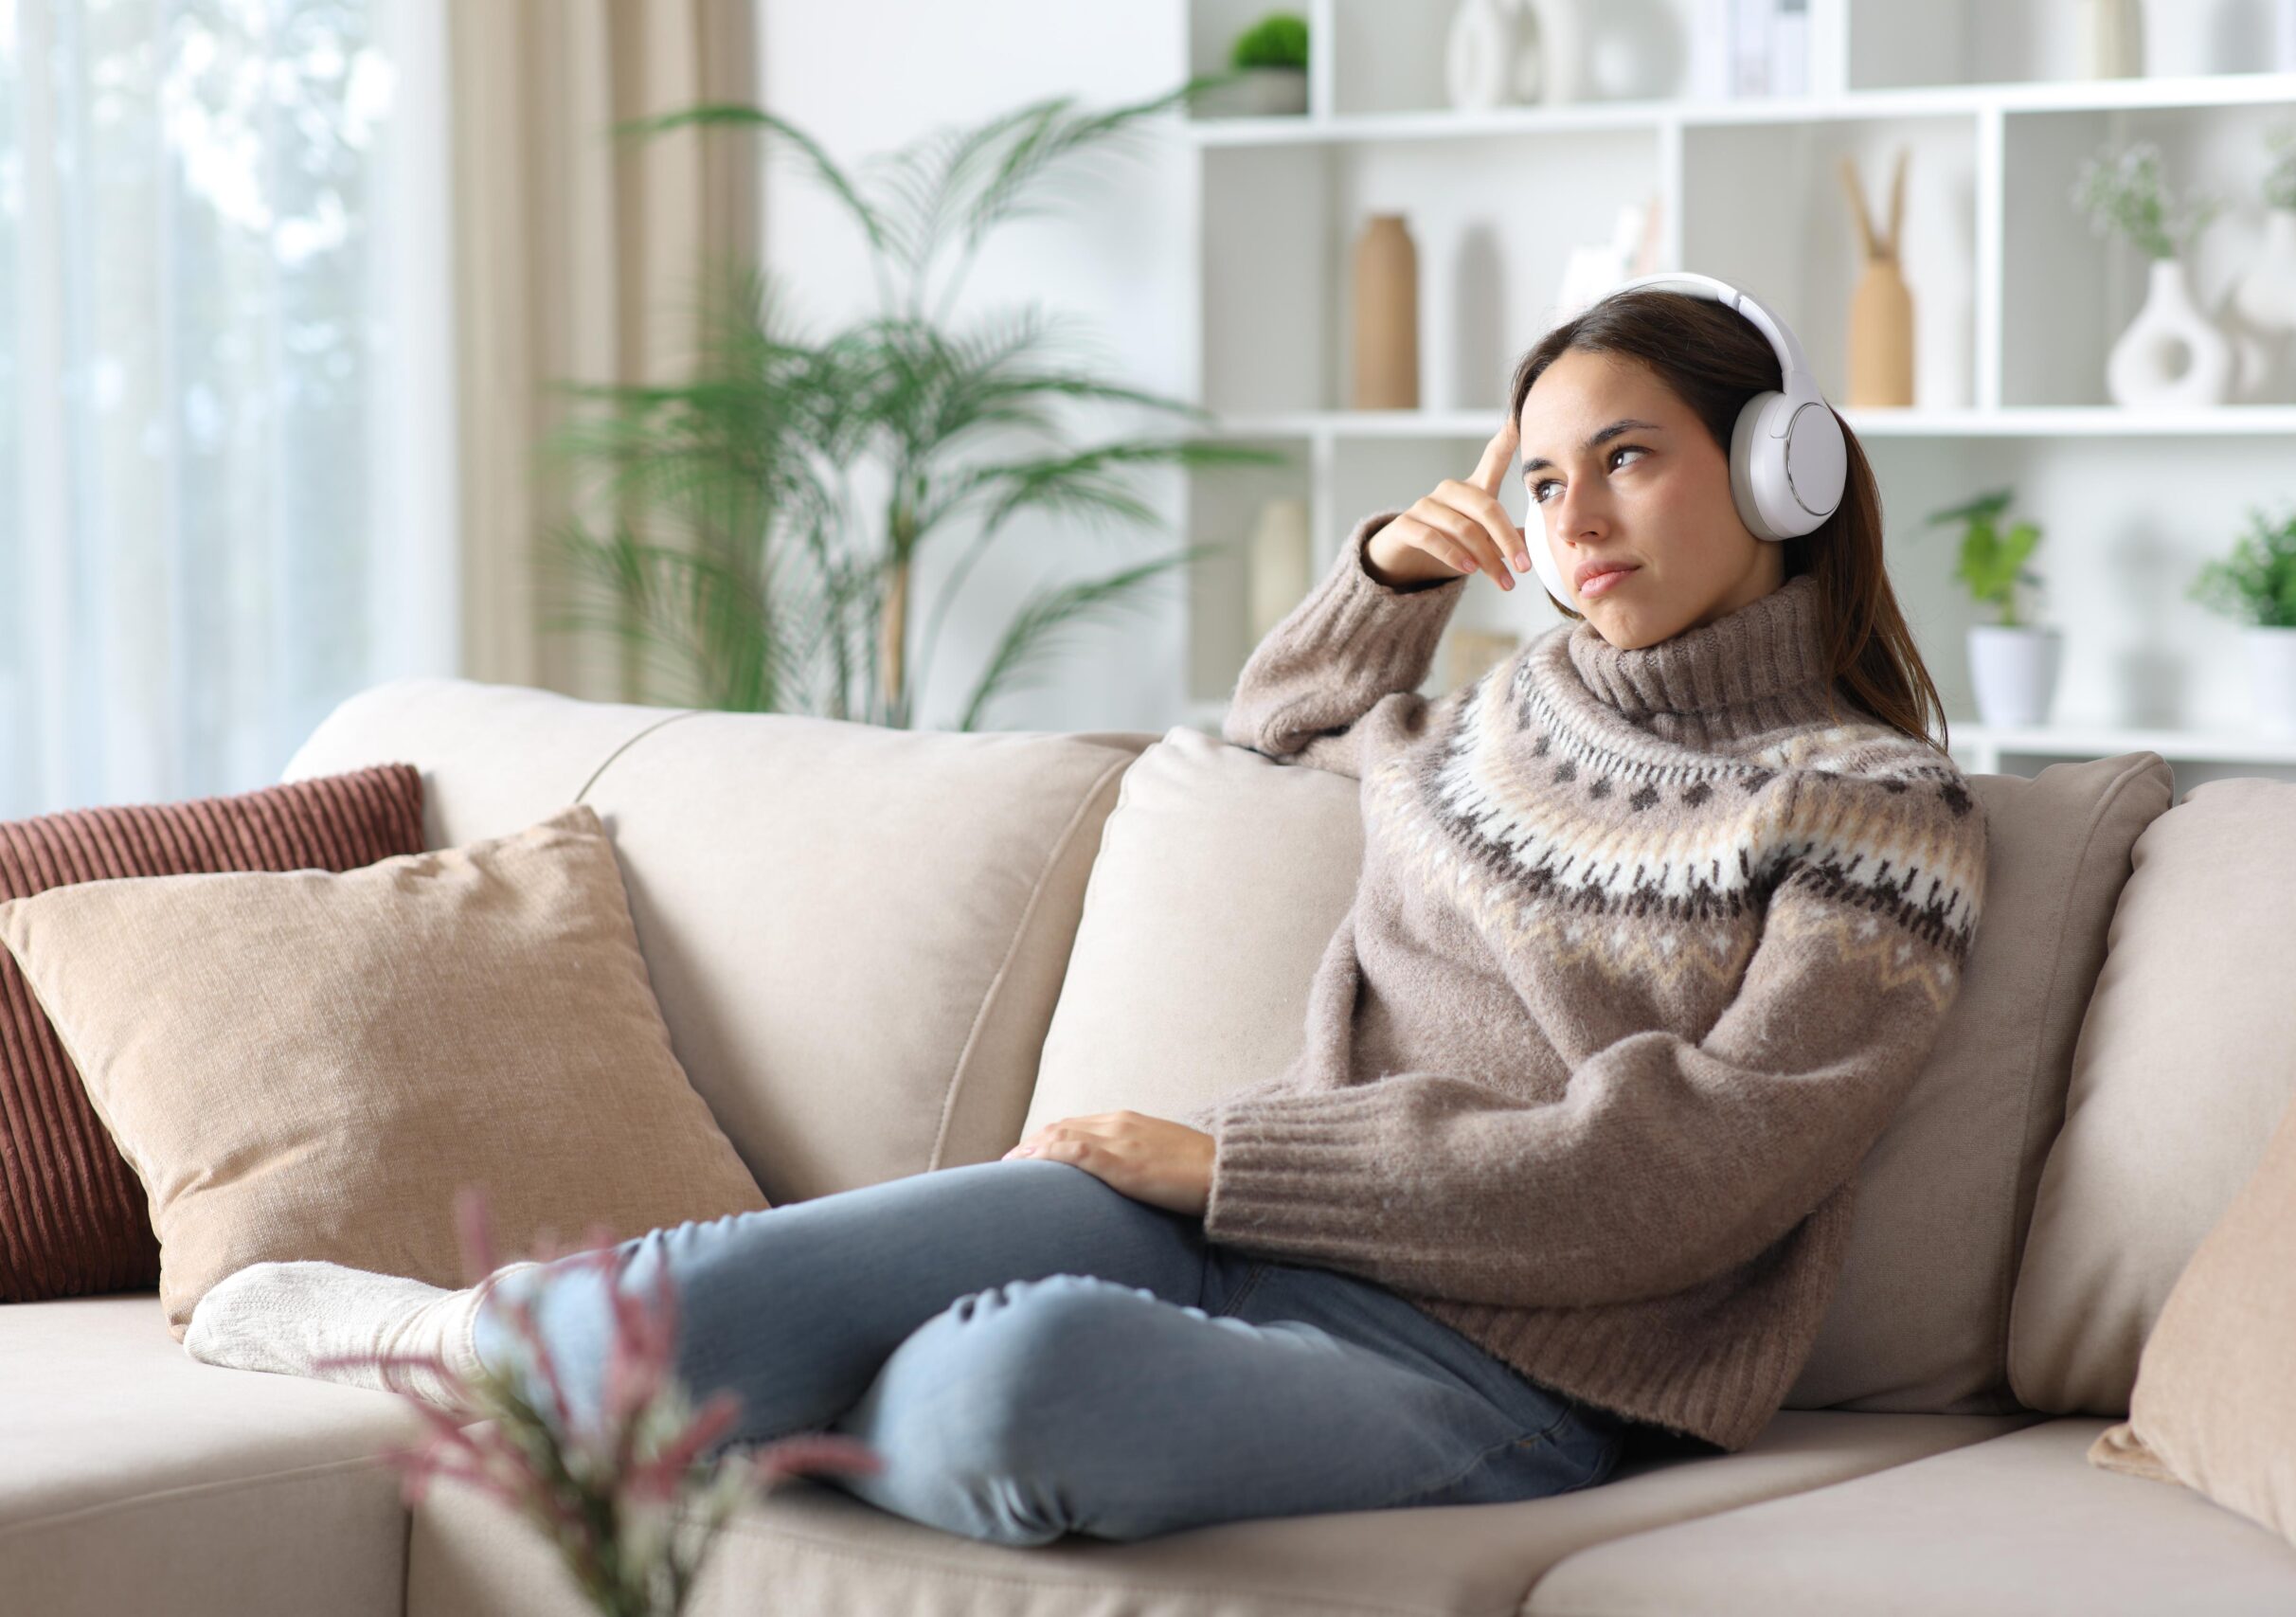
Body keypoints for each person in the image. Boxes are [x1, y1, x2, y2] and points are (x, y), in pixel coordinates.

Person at [181, 281, 1990, 1548]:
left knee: (1013, 1395)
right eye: (1537, 476)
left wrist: (1230, 1169)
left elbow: (1688, 1169)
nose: (1571, 515)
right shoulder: (1502, 715)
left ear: (1780, 472)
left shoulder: (1878, 814)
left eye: (1630, 459)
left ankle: (745, 1399)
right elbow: (1284, 714)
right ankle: (457, 1339)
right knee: (669, 1311)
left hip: (1520, 1374)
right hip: (1233, 1244)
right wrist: (1389, 571)